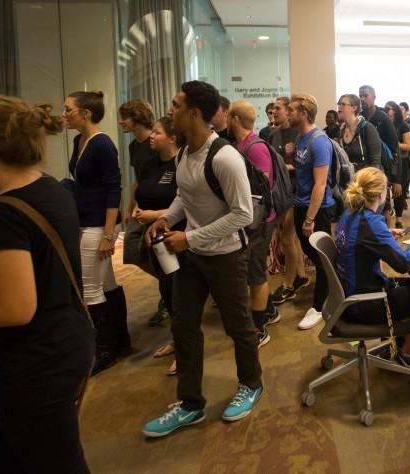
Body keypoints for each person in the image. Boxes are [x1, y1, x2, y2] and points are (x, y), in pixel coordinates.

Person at [0, 94, 93, 472]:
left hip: (39, 358)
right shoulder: (50, 189)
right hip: (67, 340)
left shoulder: (1, 216)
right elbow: (43, 268)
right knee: (11, 457)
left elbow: (16, 308)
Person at [143, 81, 263, 437]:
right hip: (192, 254)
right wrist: (167, 217)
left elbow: (243, 214)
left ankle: (251, 383)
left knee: (238, 325)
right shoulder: (183, 153)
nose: (170, 110)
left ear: (195, 114)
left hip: (225, 255)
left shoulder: (224, 157)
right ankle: (191, 404)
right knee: (183, 326)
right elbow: (186, 194)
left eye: (176, 105)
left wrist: (190, 237)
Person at [334, 168, 410, 367]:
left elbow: (359, 241)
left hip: (348, 295)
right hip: (363, 303)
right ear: (382, 195)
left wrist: (385, 233)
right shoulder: (372, 222)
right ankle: (407, 355)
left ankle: (394, 343)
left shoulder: (349, 213)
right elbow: (403, 263)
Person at [63, 90, 128, 375]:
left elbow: (113, 188)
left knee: (91, 289)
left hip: (97, 224)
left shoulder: (102, 144)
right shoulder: (80, 141)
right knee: (107, 284)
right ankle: (120, 341)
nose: (64, 115)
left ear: (85, 113)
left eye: (68, 110)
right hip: (87, 219)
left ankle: (104, 349)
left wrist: (107, 234)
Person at [131, 116, 183, 374]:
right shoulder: (149, 164)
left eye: (157, 132)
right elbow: (141, 193)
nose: (152, 136)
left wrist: (155, 216)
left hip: (177, 238)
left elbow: (184, 204)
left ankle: (186, 348)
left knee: (180, 294)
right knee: (166, 289)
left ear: (172, 138)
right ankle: (176, 339)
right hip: (154, 238)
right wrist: (138, 210)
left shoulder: (181, 164)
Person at [228, 100, 279, 347]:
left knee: (256, 273)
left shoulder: (255, 147)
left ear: (235, 119)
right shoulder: (239, 145)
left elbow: (263, 189)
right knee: (254, 270)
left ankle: (259, 329)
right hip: (249, 221)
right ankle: (268, 310)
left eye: (229, 116)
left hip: (257, 221)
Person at [288, 93, 336, 330]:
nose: (287, 113)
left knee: (322, 260)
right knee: (313, 255)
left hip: (316, 210)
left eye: (291, 110)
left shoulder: (319, 141)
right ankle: (332, 292)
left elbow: (320, 183)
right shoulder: (301, 137)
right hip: (301, 205)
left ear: (304, 114)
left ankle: (320, 307)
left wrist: (310, 218)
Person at [117, 99, 165, 325]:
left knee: (157, 253)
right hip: (142, 206)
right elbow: (139, 179)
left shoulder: (155, 145)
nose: (120, 122)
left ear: (136, 119)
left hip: (157, 207)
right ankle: (170, 288)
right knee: (133, 251)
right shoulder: (134, 146)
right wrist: (130, 206)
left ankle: (170, 294)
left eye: (124, 117)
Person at [268, 96, 310, 307]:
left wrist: (283, 167)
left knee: (287, 239)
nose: (274, 111)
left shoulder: (300, 135)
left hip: (296, 193)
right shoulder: (274, 134)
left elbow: (301, 166)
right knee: (291, 240)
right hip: (280, 194)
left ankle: (288, 284)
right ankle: (301, 276)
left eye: (278, 108)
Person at [358, 85, 403, 219]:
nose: (362, 99)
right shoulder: (359, 118)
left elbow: (395, 150)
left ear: (374, 97)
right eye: (360, 96)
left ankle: (385, 237)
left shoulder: (383, 119)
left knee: (384, 208)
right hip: (364, 172)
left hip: (382, 171)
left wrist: (396, 180)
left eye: (365, 95)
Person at [337, 94, 381, 172]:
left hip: (366, 180)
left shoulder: (367, 128)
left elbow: (375, 163)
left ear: (354, 108)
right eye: (338, 104)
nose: (339, 107)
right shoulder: (341, 130)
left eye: (343, 104)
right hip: (349, 181)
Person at [386, 100, 410, 228]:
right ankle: (387, 213)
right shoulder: (383, 124)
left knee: (398, 191)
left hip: (401, 161)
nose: (386, 110)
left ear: (395, 111)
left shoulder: (403, 126)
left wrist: (392, 143)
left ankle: (399, 218)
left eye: (388, 108)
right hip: (386, 162)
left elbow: (407, 146)